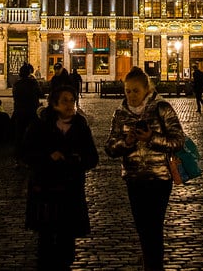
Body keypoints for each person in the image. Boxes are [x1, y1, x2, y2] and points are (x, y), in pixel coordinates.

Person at [105, 67, 185, 271]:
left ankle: (153, 265)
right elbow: (110, 148)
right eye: (128, 91)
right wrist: (127, 142)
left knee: (154, 226)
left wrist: (151, 138)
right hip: (134, 178)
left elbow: (178, 141)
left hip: (159, 177)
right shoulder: (121, 113)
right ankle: (150, 260)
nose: (131, 95)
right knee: (142, 226)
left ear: (146, 89)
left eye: (135, 91)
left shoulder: (162, 108)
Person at [23, 85, 99, 271]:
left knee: (67, 241)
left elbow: (92, 158)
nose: (69, 104)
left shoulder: (80, 126)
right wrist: (48, 156)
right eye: (65, 100)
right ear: (54, 103)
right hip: (46, 189)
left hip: (70, 190)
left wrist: (77, 160)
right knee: (46, 241)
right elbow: (25, 153)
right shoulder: (40, 125)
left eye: (72, 100)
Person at [12, 63, 42, 159]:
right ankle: (31, 151)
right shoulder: (33, 83)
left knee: (19, 132)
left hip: (19, 110)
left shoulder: (16, 84)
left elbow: (15, 96)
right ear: (29, 72)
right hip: (31, 110)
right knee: (33, 131)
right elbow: (40, 93)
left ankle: (18, 153)